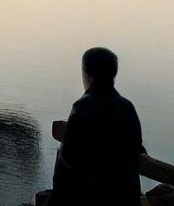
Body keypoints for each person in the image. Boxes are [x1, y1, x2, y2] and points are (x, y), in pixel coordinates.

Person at [51, 47, 145, 206]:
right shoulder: (127, 107)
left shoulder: (82, 107)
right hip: (126, 197)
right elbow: (137, 150)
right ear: (114, 75)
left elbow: (67, 161)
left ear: (87, 74)